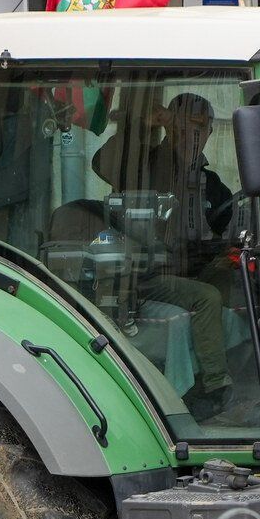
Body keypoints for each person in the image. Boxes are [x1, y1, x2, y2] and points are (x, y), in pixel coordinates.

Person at [91, 92, 239, 419]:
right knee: (207, 297)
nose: (194, 137)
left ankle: (237, 372)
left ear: (212, 132)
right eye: (185, 127)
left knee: (239, 278)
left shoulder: (210, 184)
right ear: (170, 128)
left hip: (186, 270)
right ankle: (214, 386)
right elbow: (101, 162)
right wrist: (139, 129)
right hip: (142, 274)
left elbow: (225, 227)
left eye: (202, 128)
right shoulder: (143, 164)